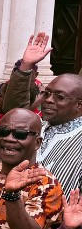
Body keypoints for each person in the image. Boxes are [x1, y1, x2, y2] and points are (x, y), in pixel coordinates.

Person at [8, 33, 82, 192]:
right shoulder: (38, 126)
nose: (48, 100)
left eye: (60, 97)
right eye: (47, 94)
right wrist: (26, 65)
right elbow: (14, 112)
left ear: (79, 105)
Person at [0, 108, 63, 229]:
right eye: (3, 131)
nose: (9, 138)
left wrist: (12, 195)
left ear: (37, 143)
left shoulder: (45, 183)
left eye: (20, 134)